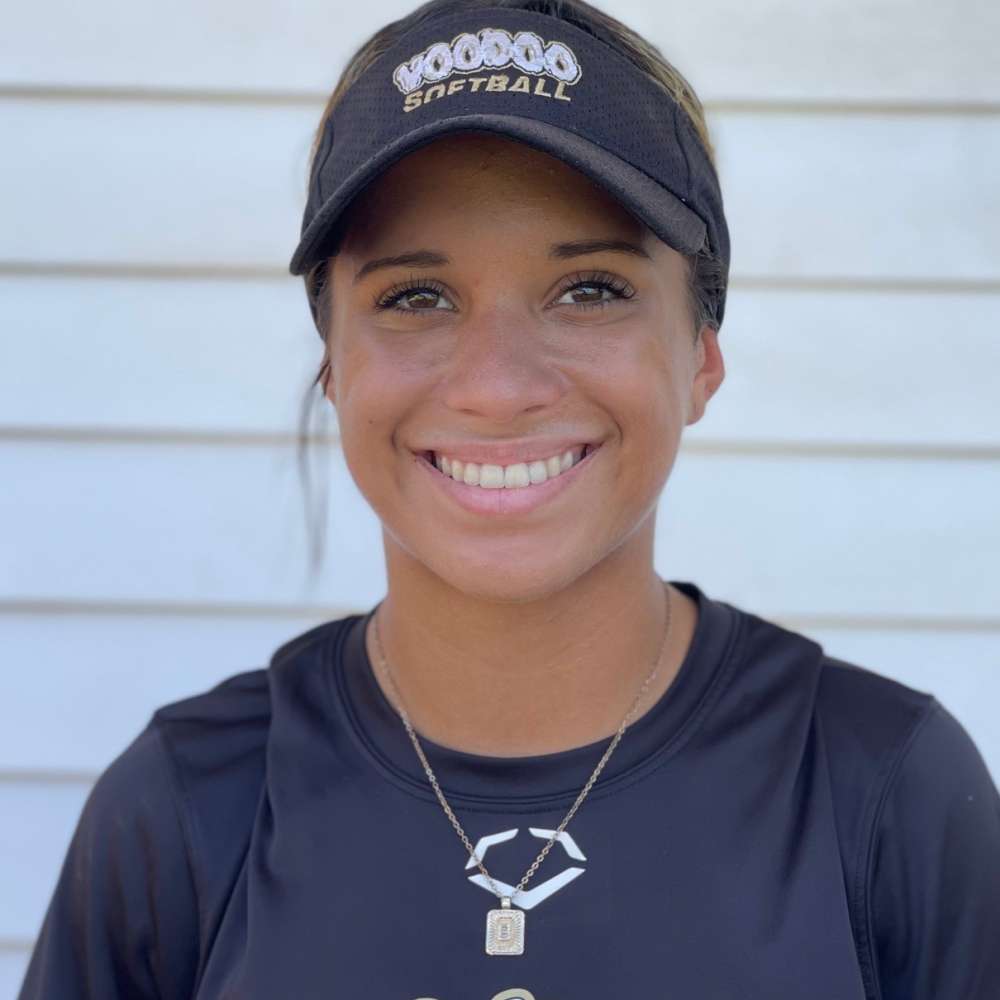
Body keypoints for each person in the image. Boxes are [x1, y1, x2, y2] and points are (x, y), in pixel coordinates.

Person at [18, 1, 1000, 998]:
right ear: (333, 366)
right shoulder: (189, 806)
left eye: (590, 289)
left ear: (700, 355)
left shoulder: (880, 791)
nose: (496, 386)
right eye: (415, 297)